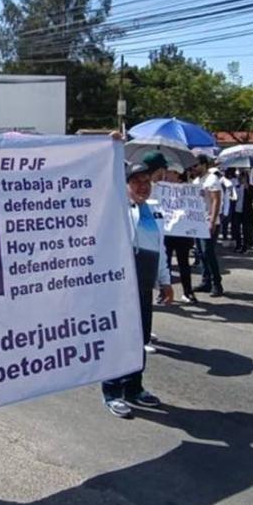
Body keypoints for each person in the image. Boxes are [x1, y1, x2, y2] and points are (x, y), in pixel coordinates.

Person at [103, 162, 174, 418]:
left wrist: (165, 281)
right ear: (126, 185)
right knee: (118, 340)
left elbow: (160, 248)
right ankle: (112, 392)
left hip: (143, 286)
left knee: (139, 340)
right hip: (119, 287)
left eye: (147, 182)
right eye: (136, 182)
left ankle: (134, 387)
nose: (143, 187)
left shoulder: (154, 213)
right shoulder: (116, 209)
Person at [161, 165, 197, 304]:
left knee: (184, 264)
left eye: (169, 173)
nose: (166, 175)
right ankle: (164, 292)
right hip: (167, 232)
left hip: (182, 233)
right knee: (165, 265)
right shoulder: (162, 189)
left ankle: (188, 292)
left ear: (177, 174)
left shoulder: (187, 189)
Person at [193, 156, 224, 297]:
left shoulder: (212, 180)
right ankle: (206, 281)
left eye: (196, 165)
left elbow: (216, 200)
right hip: (198, 222)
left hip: (209, 222)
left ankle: (217, 283)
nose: (193, 168)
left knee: (208, 253)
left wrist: (212, 221)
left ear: (204, 165)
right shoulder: (196, 181)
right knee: (200, 253)